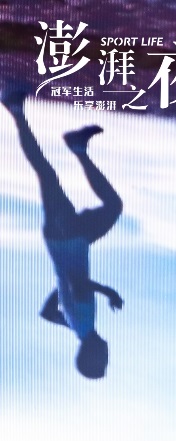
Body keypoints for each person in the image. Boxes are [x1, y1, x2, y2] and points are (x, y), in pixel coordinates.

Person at [2, 85, 124, 379]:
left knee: (47, 175)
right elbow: (47, 313)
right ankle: (77, 146)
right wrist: (62, 283)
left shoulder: (83, 323)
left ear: (92, 356)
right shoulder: (77, 327)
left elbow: (77, 284)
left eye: (103, 361)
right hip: (73, 241)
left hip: (66, 237)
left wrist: (108, 292)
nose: (107, 356)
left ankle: (14, 109)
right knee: (112, 206)